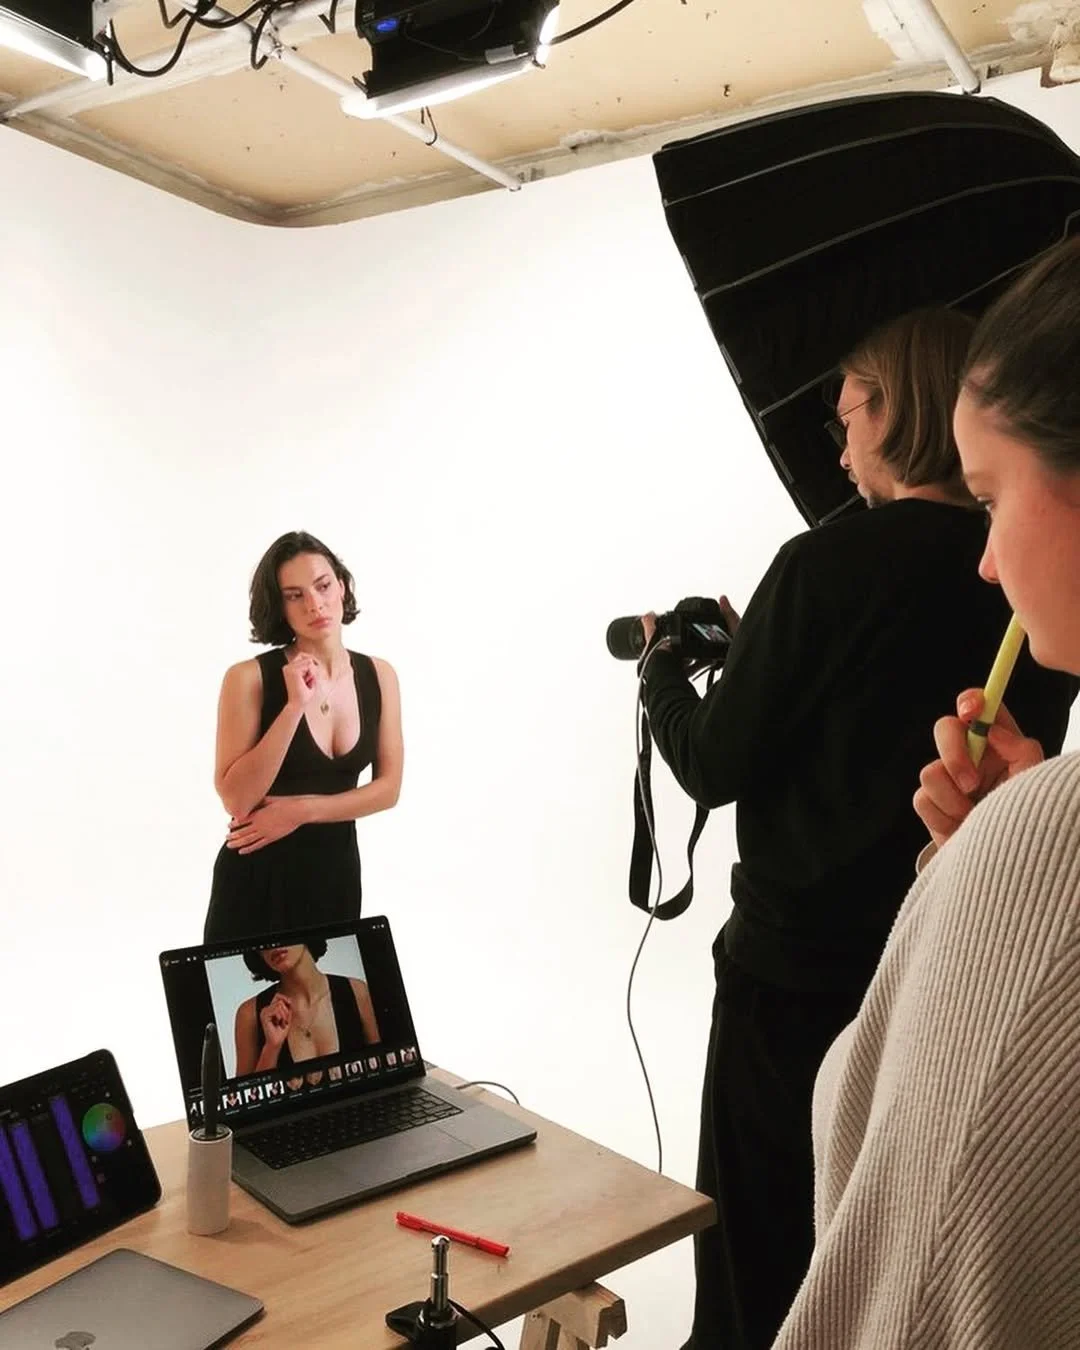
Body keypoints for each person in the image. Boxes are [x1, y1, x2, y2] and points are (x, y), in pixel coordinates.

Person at [638, 308, 1078, 1350]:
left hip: (791, 992)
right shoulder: (1026, 604)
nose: (840, 451)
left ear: (893, 409)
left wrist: (662, 676)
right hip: (942, 987)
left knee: (755, 1281)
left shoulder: (821, 568)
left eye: (848, 420)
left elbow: (713, 763)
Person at [771, 235, 1080, 1350]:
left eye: (992, 498)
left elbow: (911, 1275)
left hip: (785, 974)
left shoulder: (1050, 845)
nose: (987, 561)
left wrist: (1006, 865)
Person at [204, 531, 403, 942]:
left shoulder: (379, 675)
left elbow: (388, 790)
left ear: (342, 585)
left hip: (336, 875)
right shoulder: (248, 678)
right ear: (279, 607)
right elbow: (236, 799)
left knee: (332, 986)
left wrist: (300, 811)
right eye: (294, 595)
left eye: (323, 585)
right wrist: (294, 706)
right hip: (256, 879)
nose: (314, 604)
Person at [233, 941, 381, 1078]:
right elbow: (243, 1094)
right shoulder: (249, 1014)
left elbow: (383, 1068)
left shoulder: (357, 991)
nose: (272, 944)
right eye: (262, 941)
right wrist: (271, 1047)